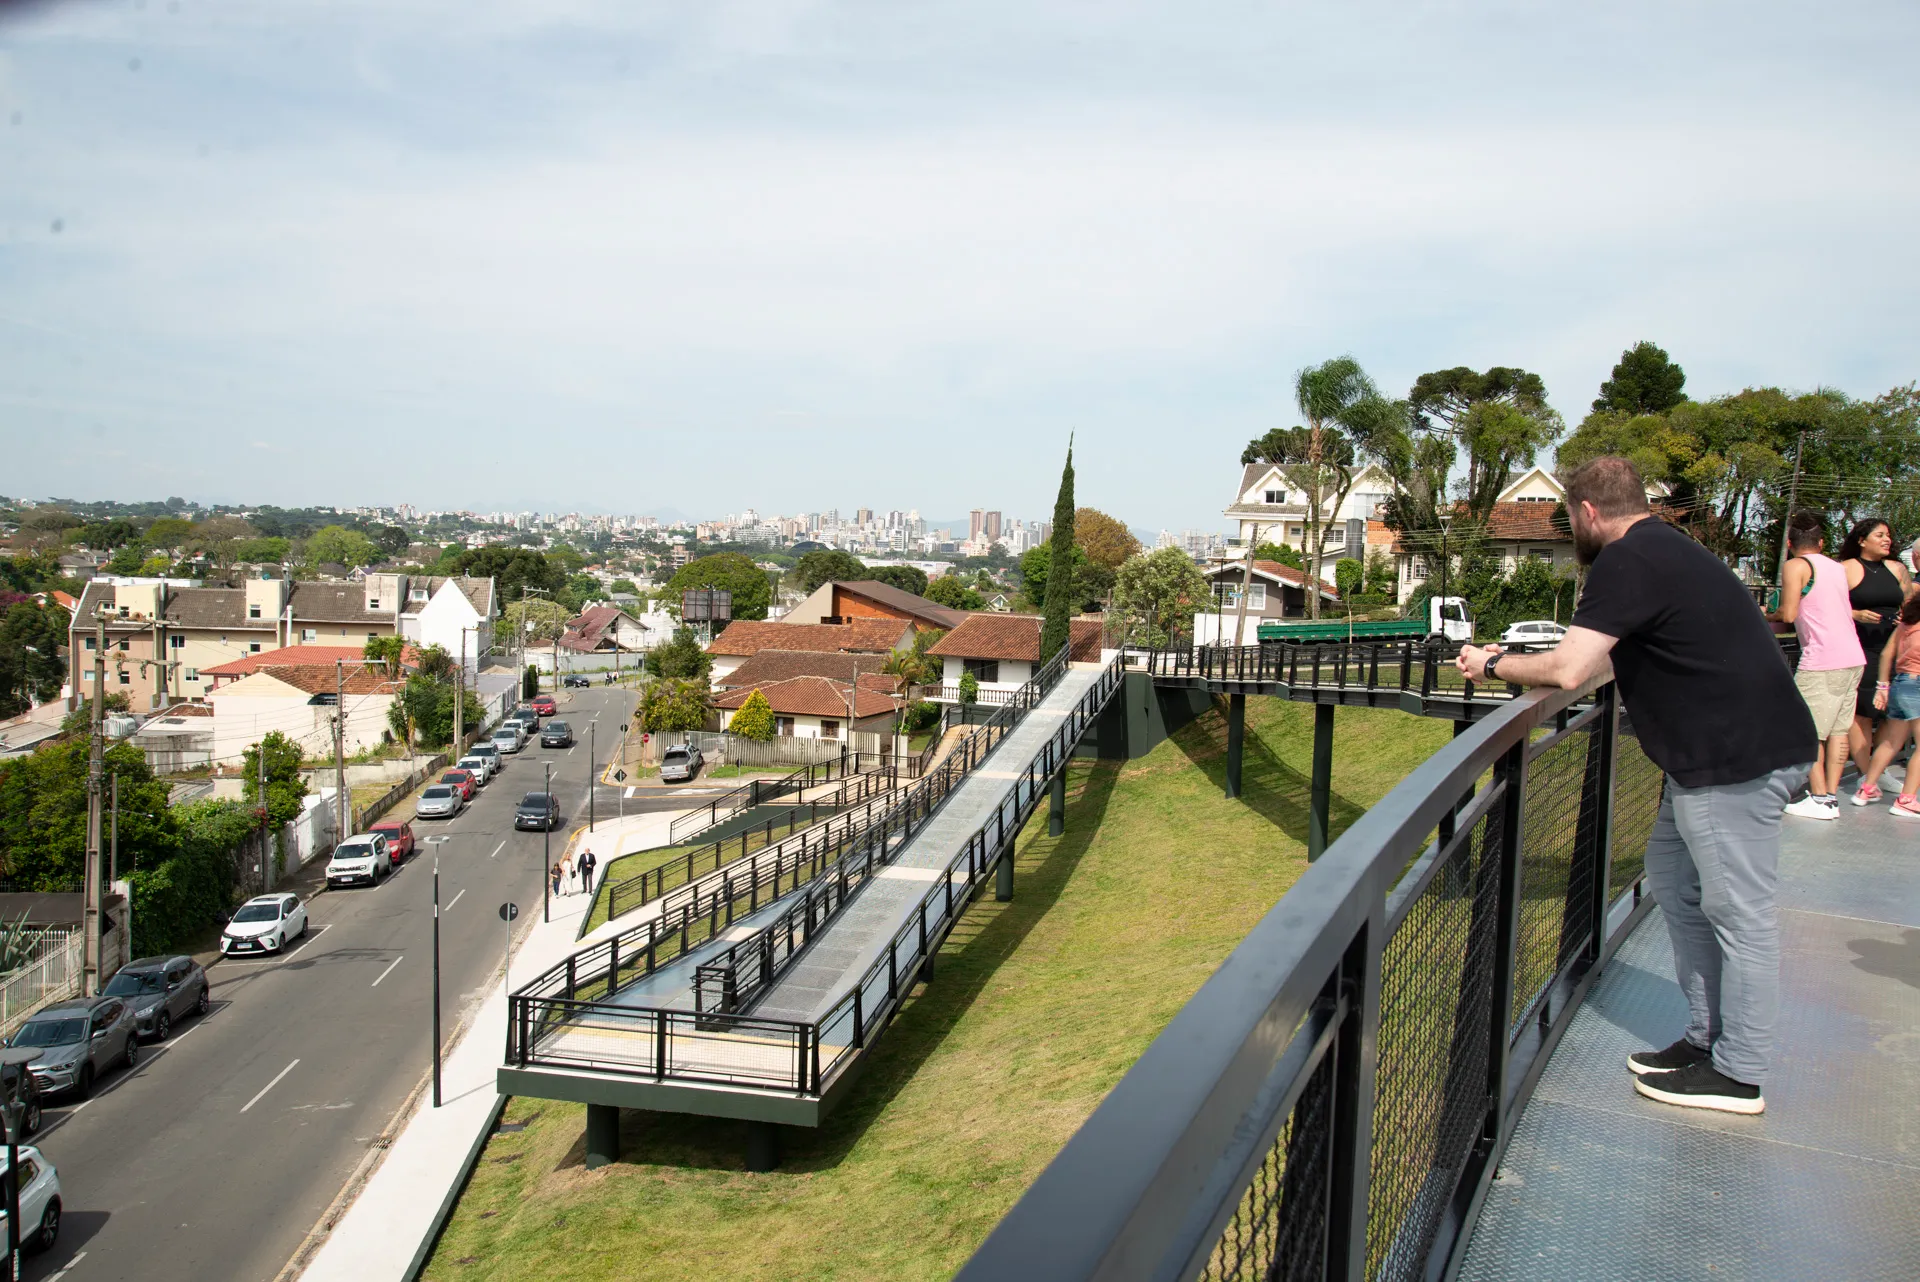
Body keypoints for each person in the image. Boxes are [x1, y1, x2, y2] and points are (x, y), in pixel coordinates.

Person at [1454, 456, 1814, 1116]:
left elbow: (1569, 669)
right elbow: (1601, 648)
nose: (1571, 528)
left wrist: (1491, 661)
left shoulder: (1626, 560)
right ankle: (1705, 1041)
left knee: (1739, 915)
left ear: (1589, 512)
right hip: (1714, 757)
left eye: (1568, 516)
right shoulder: (1663, 548)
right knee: (1675, 884)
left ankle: (1739, 1073)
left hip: (1731, 761)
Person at [1769, 512, 1866, 819]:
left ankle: (1821, 798)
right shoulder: (1836, 568)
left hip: (1823, 660)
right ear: (1821, 542)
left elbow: (1787, 613)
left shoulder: (1796, 566)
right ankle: (1830, 797)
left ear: (1789, 543)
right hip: (1853, 657)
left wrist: (1761, 612)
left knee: (1810, 730)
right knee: (1838, 730)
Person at [1835, 518, 1912, 792]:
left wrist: (1907, 615)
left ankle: (1877, 768)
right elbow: (1827, 606)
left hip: (1894, 649)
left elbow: (1911, 604)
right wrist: (1854, 613)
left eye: (1888, 535)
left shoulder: (1898, 569)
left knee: (1897, 714)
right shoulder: (1845, 569)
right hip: (1861, 648)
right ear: (1861, 540)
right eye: (1879, 535)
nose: (1886, 539)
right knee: (1864, 714)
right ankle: (1866, 773)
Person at [1858, 592, 1920, 817]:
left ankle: (1866, 789)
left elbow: (1886, 654)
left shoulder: (1906, 625)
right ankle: (1906, 799)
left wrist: (1882, 686)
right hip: (1917, 683)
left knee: (1891, 742)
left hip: (1901, 682)